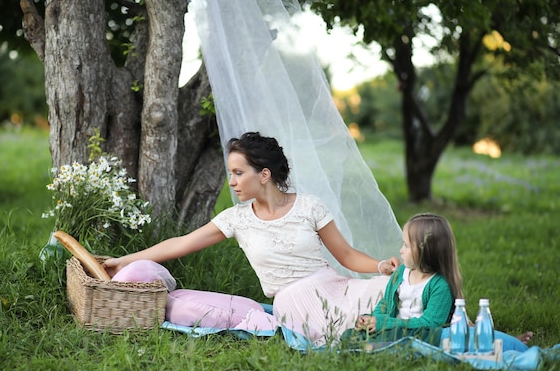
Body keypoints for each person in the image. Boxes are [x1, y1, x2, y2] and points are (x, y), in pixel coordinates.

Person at [104, 132, 400, 345]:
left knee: (395, 291)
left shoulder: (309, 206)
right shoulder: (237, 218)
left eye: (238, 173)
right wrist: (122, 261)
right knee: (351, 327)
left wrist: (380, 266)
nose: (231, 182)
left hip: (336, 286)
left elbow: (346, 256)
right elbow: (180, 243)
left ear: (264, 175)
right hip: (294, 300)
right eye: (230, 174)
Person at [343, 213, 531, 352]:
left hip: (421, 333)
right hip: (393, 328)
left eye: (406, 246)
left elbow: (430, 323)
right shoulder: (401, 273)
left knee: (430, 341)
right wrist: (372, 320)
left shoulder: (439, 285)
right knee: (348, 337)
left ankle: (508, 343)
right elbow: (385, 305)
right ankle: (378, 346)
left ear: (426, 252)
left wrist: (386, 323)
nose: (400, 250)